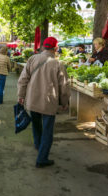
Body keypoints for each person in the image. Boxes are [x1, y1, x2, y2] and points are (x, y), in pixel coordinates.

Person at [17, 37, 70, 168]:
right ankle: (42, 158)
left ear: (43, 47)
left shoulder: (32, 59)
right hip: (48, 101)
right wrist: (64, 101)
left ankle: (38, 145)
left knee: (36, 125)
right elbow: (64, 86)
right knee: (47, 130)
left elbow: (23, 79)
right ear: (56, 48)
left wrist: (21, 95)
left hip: (32, 99)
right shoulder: (58, 64)